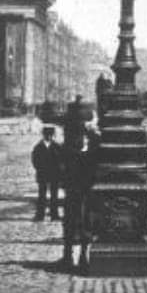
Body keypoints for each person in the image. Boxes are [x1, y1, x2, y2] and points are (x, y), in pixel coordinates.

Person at [60, 103, 100, 273]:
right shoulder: (70, 146)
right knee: (69, 223)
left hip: (88, 192)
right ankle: (68, 255)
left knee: (86, 225)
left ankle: (83, 256)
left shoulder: (94, 147)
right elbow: (62, 167)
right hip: (73, 191)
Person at [31, 125, 62, 222]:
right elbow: (35, 161)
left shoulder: (57, 147)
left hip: (54, 175)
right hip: (42, 174)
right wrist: (40, 169)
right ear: (43, 135)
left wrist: (59, 171)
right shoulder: (38, 147)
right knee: (42, 196)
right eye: (47, 135)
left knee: (54, 196)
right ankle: (40, 216)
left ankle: (54, 215)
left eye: (50, 135)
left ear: (52, 135)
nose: (49, 136)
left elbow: (61, 161)